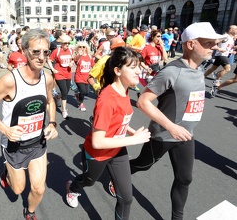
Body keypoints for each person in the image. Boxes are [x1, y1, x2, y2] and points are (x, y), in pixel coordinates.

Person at [132, 22, 225, 219]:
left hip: (185, 135)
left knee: (184, 179)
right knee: (142, 164)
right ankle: (118, 174)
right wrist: (171, 127)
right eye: (208, 43)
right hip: (163, 135)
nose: (214, 47)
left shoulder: (200, 69)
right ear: (191, 45)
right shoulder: (172, 71)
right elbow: (143, 102)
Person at [0, 29, 58, 220]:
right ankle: (6, 172)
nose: (41, 57)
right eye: (36, 52)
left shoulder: (47, 78)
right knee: (18, 189)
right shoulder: (10, 80)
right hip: (14, 145)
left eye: (46, 52)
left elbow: (50, 101)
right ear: (24, 51)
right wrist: (5, 129)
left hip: (37, 143)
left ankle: (29, 212)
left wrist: (53, 123)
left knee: (39, 188)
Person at [65, 47, 151, 220]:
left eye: (139, 67)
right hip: (97, 154)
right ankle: (72, 188)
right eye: (133, 67)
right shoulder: (107, 99)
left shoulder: (124, 89)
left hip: (118, 149)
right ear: (118, 71)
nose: (138, 71)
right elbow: (97, 142)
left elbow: (119, 119)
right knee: (88, 181)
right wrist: (134, 140)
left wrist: (132, 131)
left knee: (126, 198)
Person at [47, 34, 75, 119]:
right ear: (62, 43)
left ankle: (58, 96)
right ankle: (64, 110)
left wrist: (72, 63)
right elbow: (49, 60)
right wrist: (53, 69)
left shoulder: (71, 50)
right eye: (65, 43)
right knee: (64, 91)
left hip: (68, 73)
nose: (67, 45)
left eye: (68, 43)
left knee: (66, 91)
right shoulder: (57, 51)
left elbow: (72, 59)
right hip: (59, 74)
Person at [73, 41, 94, 112]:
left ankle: (78, 95)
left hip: (87, 77)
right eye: (80, 47)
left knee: (87, 92)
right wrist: (79, 54)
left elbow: (93, 66)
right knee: (82, 91)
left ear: (86, 48)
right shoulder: (78, 56)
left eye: (83, 47)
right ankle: (81, 103)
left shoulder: (89, 56)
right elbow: (75, 60)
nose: (82, 48)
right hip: (79, 77)